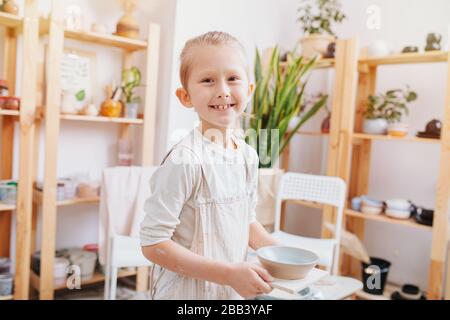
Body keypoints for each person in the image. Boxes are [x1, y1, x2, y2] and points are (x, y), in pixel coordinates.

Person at [140, 31, 279, 300]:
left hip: (229, 293)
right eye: (207, 80)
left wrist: (286, 259)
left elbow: (246, 222)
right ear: (185, 96)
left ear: (249, 90)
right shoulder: (186, 160)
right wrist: (228, 274)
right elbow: (153, 244)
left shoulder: (248, 157)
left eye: (233, 78)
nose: (223, 91)